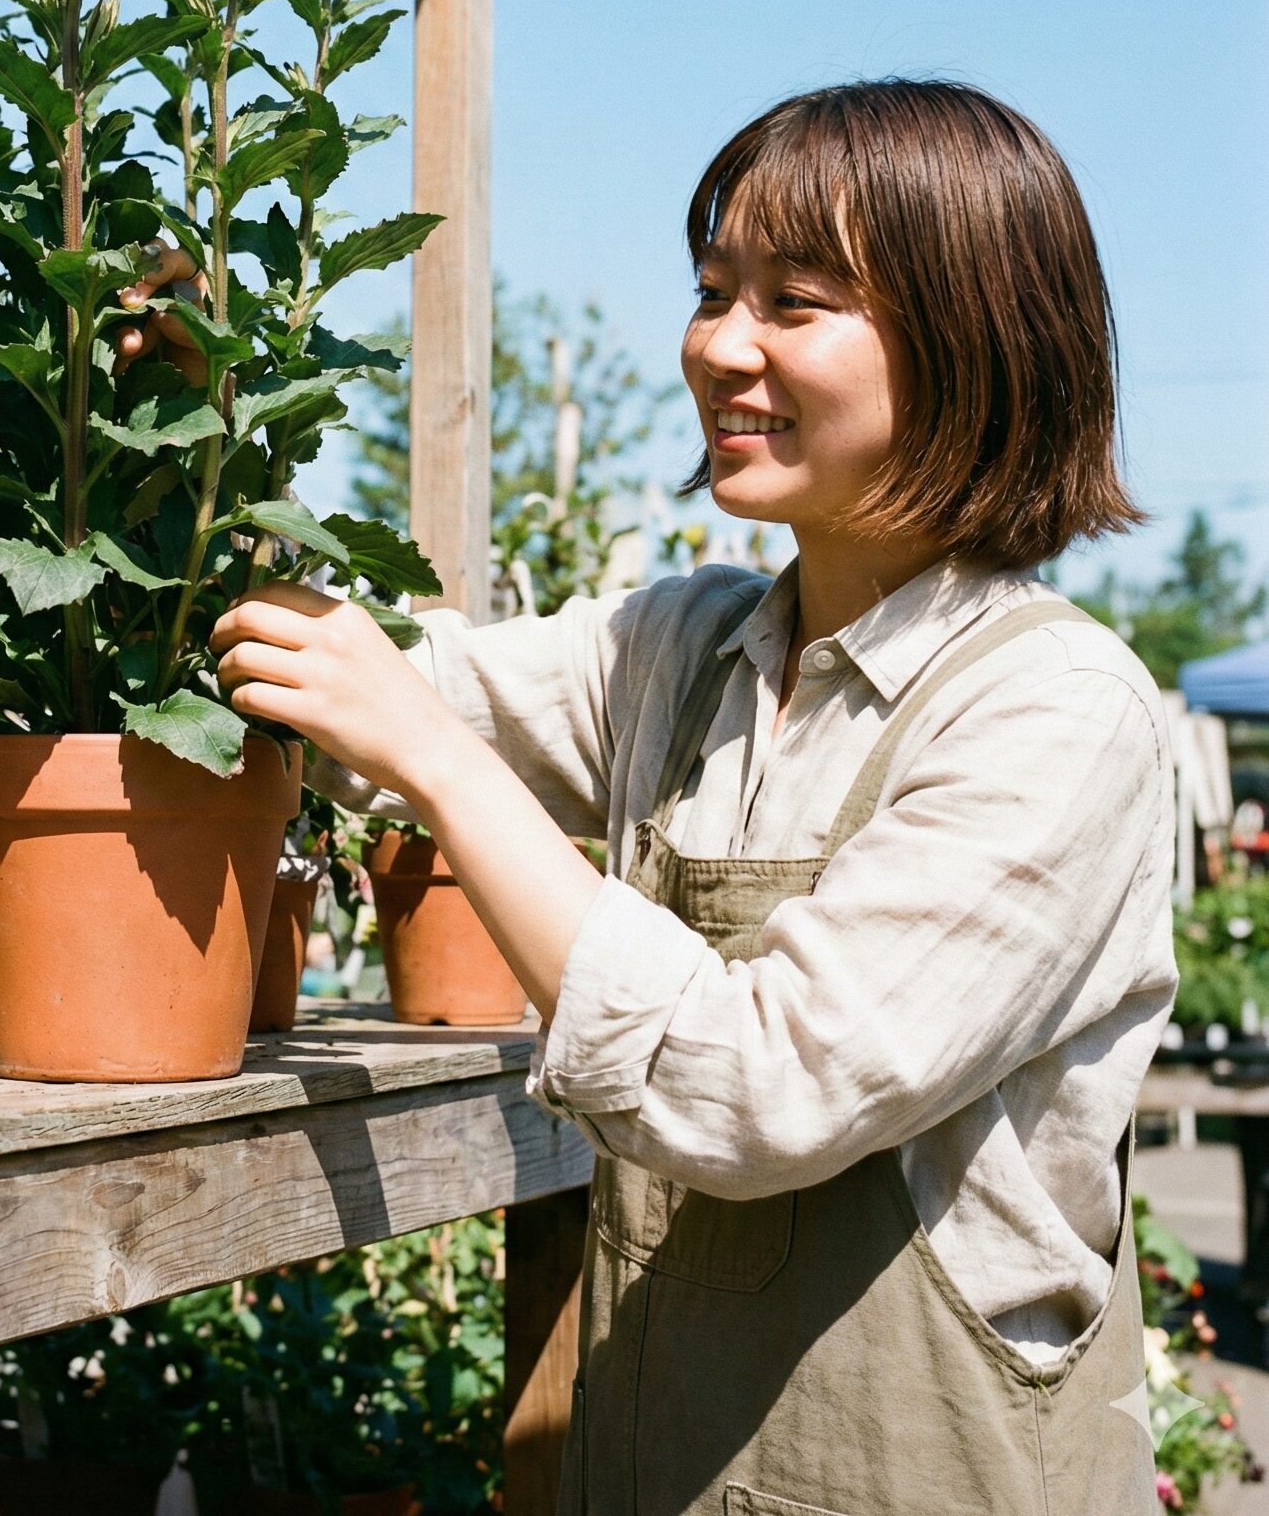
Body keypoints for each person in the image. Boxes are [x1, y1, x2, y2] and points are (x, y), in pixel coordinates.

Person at [164, 81, 1174, 1515]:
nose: (721, 348)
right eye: (713, 292)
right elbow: (378, 694)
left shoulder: (1052, 716)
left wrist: (441, 767)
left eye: (797, 303)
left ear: (976, 342)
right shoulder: (686, 648)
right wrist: (172, 419)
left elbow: (762, 1086)